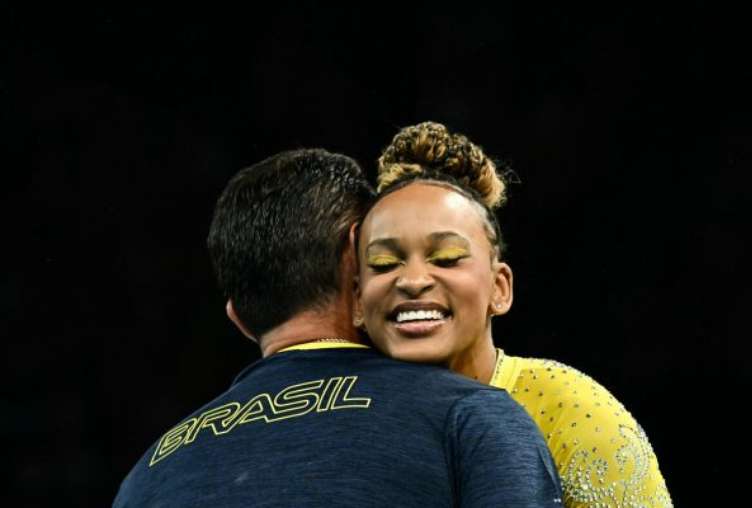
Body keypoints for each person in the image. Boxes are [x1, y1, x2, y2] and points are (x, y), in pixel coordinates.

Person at [112, 148, 563, 507]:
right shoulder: (470, 419)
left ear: (238, 316)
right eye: (384, 256)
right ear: (356, 260)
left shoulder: (145, 475)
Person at [353, 122, 673, 507]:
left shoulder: (571, 412)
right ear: (357, 299)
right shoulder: (336, 419)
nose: (414, 280)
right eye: (384, 263)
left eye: (448, 258)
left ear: (499, 288)